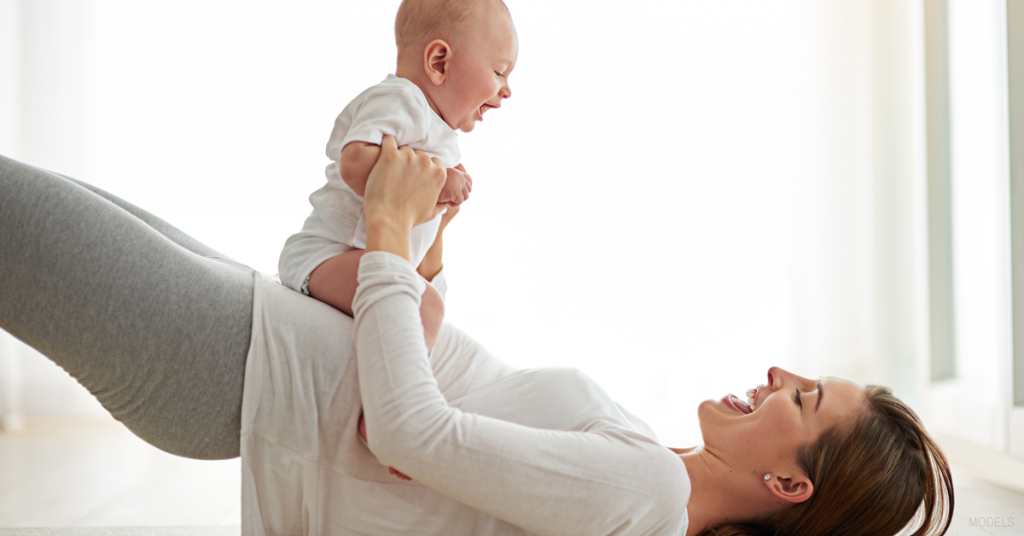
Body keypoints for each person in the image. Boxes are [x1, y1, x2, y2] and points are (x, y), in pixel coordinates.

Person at [0, 142, 954, 536]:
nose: (780, 372)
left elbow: (408, 436)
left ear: (792, 484)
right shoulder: (656, 473)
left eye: (803, 398)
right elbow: (437, 402)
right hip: (263, 342)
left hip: (243, 369)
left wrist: (386, 230)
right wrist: (425, 242)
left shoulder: (651, 494)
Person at [277, 0, 516, 354]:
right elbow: (355, 160)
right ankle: (383, 409)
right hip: (325, 255)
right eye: (499, 73)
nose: (507, 90)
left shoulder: (440, 134)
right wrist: (438, 181)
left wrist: (440, 208)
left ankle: (377, 397)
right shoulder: (403, 100)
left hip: (363, 258)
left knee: (426, 305)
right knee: (422, 306)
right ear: (439, 62)